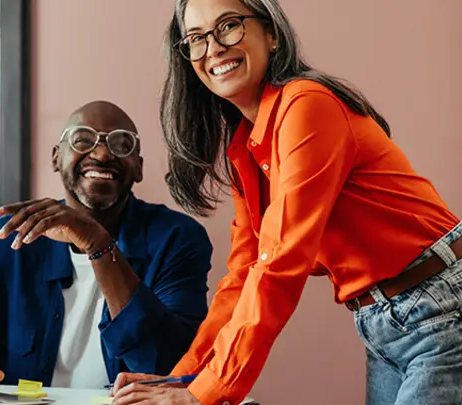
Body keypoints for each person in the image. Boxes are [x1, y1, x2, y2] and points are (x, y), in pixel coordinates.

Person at [107, 1, 462, 405]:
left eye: (229, 25)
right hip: (387, 320)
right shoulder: (247, 144)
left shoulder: (306, 105)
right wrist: (183, 379)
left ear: (271, 35)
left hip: (441, 308)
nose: (214, 48)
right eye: (196, 38)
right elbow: (244, 275)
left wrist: (204, 395)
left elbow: (281, 262)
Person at [0, 101, 213, 394]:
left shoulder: (177, 239)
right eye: (82, 140)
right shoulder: (7, 241)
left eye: (122, 144)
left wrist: (97, 243)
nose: (102, 153)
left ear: (138, 168)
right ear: (56, 157)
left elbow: (170, 366)